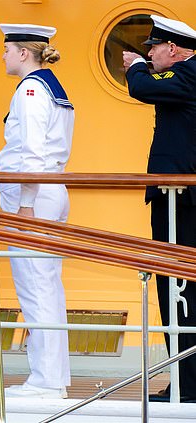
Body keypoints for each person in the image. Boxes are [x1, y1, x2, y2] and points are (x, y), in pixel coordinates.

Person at [0, 23, 74, 399]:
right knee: (47, 284)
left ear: (23, 52)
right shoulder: (52, 87)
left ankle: (45, 381)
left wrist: (25, 203)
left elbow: (31, 153)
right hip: (52, 190)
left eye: (7, 50)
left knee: (34, 285)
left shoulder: (29, 91)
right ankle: (53, 378)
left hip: (33, 197)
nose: (3, 56)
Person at [123, 15, 196, 403]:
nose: (149, 54)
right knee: (177, 291)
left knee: (178, 289)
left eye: (152, 48)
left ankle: (189, 385)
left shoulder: (188, 74)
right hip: (177, 199)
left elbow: (142, 87)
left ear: (172, 48)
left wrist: (136, 67)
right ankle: (186, 380)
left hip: (181, 203)